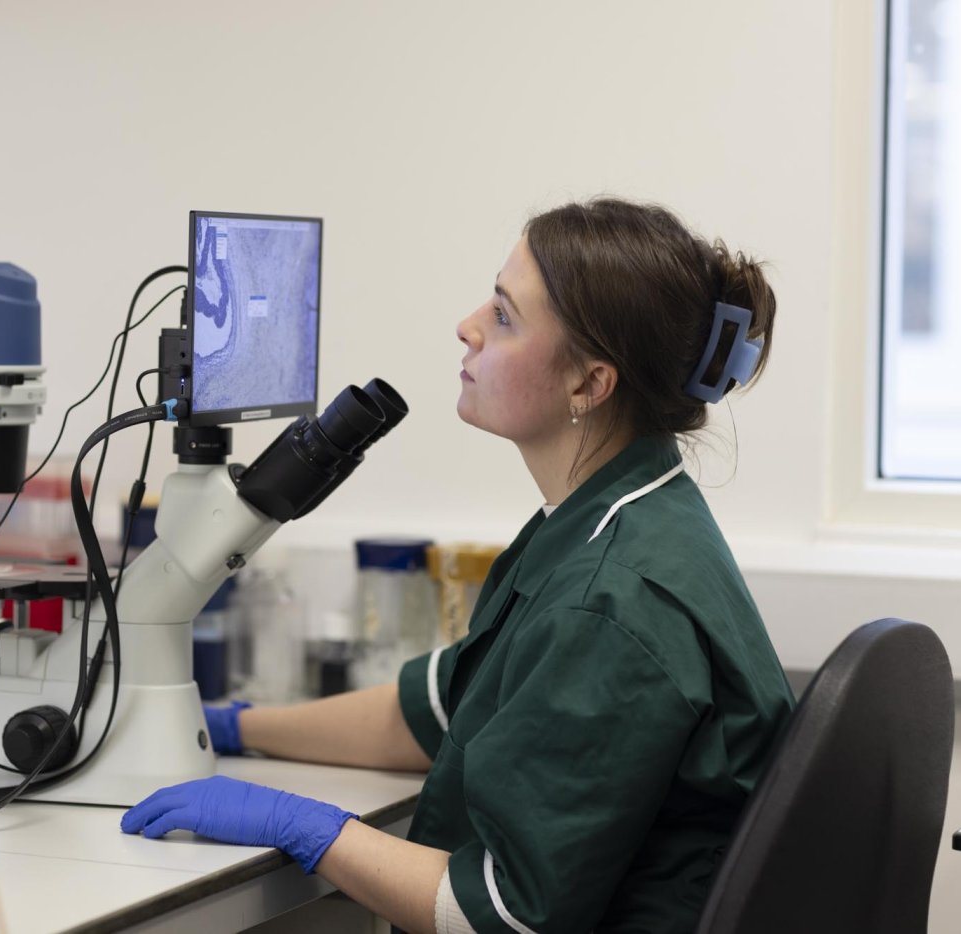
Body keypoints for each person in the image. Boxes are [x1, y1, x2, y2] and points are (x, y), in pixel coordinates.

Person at [120, 198, 795, 933]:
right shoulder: (612, 518)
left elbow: (505, 915)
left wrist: (307, 827)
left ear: (589, 384)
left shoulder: (610, 602)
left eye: (504, 316)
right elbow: (435, 713)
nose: (468, 325)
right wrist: (231, 726)